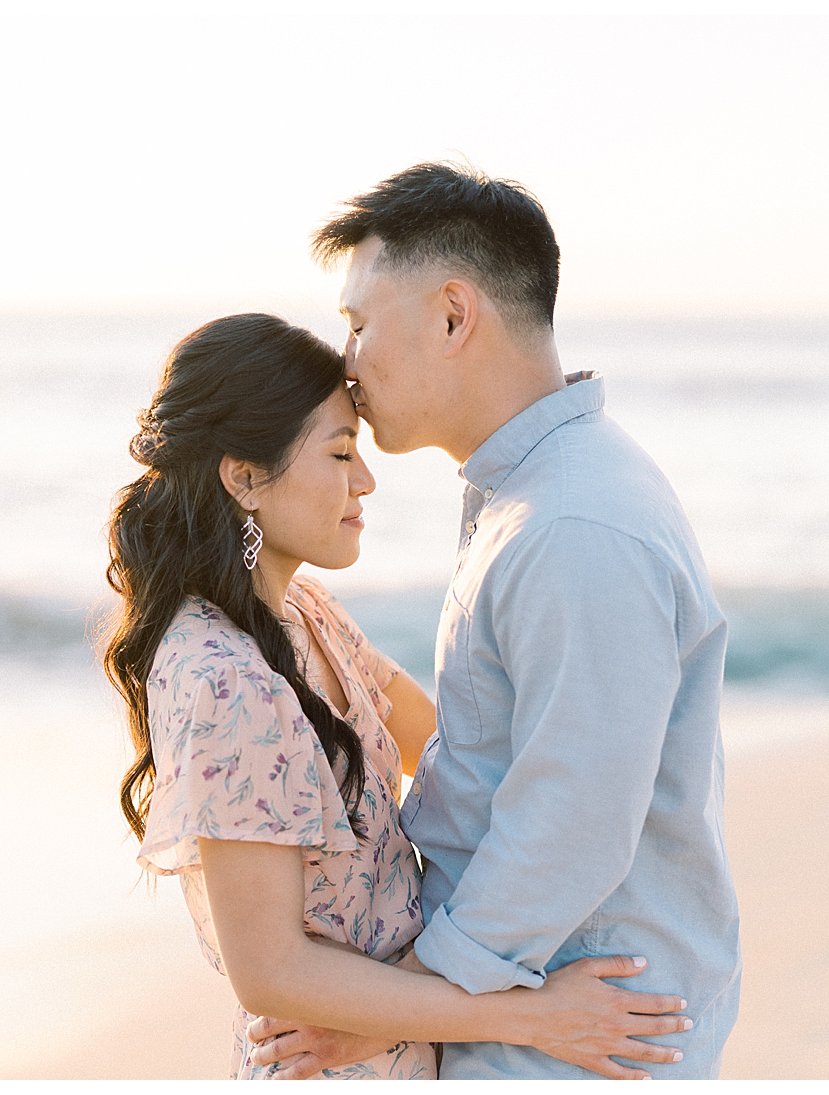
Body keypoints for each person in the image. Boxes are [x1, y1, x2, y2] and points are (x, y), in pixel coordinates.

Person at [103, 313, 694, 1080]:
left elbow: (452, 747)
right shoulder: (224, 679)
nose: (367, 478)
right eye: (340, 451)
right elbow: (272, 973)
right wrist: (530, 1013)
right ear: (243, 475)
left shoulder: (307, 614)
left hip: (398, 1050)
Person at [247, 164, 742, 1079]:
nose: (344, 361)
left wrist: (394, 1005)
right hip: (527, 1013)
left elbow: (572, 822)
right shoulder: (538, 493)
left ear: (451, 315)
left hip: (572, 1033)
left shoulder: (574, 525)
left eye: (358, 323)